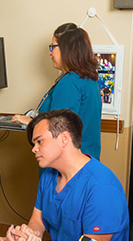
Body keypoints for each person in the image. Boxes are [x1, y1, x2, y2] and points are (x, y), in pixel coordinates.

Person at [1, 109, 129, 241]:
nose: (34, 149)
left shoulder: (102, 187)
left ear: (64, 138)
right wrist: (29, 236)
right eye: (33, 144)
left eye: (39, 141)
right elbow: (38, 221)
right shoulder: (49, 176)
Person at [11, 23, 102, 160]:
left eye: (53, 47)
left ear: (67, 49)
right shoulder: (89, 78)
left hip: (65, 165)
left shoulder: (69, 82)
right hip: (86, 162)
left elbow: (58, 131)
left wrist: (31, 122)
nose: (50, 52)